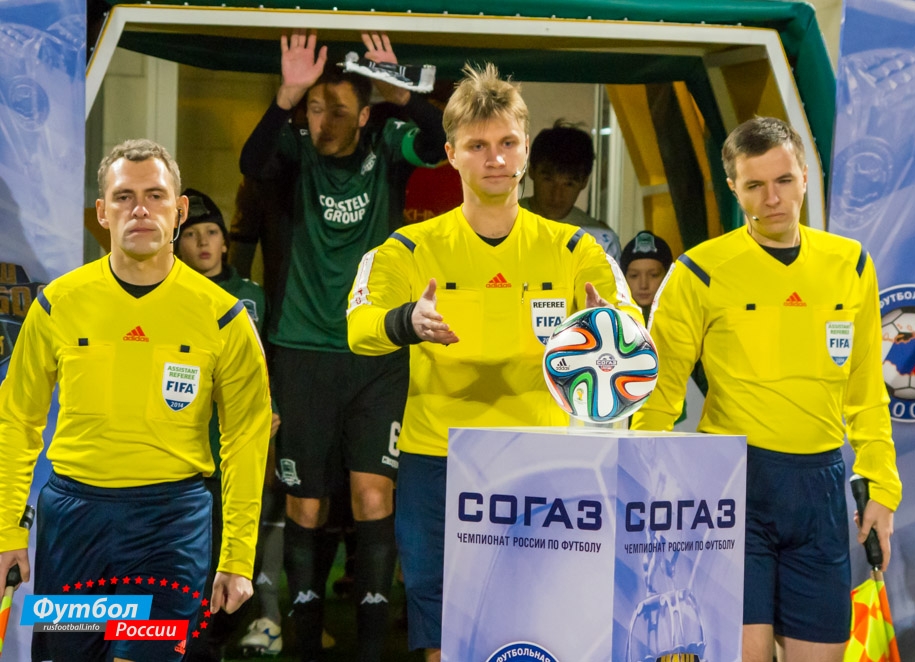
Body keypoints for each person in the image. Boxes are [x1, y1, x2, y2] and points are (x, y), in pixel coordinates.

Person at [346, 62, 641, 662]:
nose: (495, 158)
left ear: (525, 149)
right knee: (442, 620)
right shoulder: (408, 248)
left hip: (543, 460)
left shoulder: (576, 249)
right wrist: (405, 322)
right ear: (450, 155)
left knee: (541, 620)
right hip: (439, 458)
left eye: (507, 143)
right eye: (478, 146)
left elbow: (633, 332)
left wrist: (606, 329)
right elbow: (358, 327)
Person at [632, 117, 901, 662]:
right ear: (734, 188)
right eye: (754, 185)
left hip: (820, 489)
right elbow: (657, 394)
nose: (772, 198)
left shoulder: (851, 264)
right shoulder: (698, 271)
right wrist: (646, 491)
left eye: (783, 180)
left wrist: (882, 487)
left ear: (805, 176)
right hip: (730, 488)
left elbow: (866, 390)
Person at [0, 139, 272, 662]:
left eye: (155, 195)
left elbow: (245, 438)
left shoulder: (224, 317)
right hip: (73, 524)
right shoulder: (57, 304)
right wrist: (8, 528)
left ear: (180, 210)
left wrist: (237, 555)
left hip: (170, 526)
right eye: (124, 197)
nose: (140, 209)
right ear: (102, 212)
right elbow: (17, 420)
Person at [239, 30, 447, 662]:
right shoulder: (295, 149)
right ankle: (304, 644)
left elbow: (442, 143)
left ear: (363, 115)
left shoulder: (388, 145)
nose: (322, 121)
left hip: (376, 352)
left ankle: (372, 649)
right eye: (314, 108)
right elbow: (252, 162)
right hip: (302, 351)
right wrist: (285, 98)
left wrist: (401, 93)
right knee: (305, 502)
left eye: (336, 110)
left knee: (373, 495)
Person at [173, 188, 284, 661]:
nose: (202, 242)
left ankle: (221, 635)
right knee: (191, 555)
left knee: (235, 547)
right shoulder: (172, 296)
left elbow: (272, 360)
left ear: (225, 241)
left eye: (211, 232)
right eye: (191, 234)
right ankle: (192, 640)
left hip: (241, 445)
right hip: (188, 450)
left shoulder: (252, 296)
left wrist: (273, 407)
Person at [519, 119, 622, 260]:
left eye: (568, 184)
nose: (556, 195)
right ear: (531, 171)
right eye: (548, 180)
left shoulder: (599, 240)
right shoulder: (503, 224)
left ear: (584, 182)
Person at [619, 230, 673, 323]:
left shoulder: (682, 319)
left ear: (668, 276)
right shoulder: (614, 321)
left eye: (654, 275)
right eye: (634, 275)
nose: (643, 285)